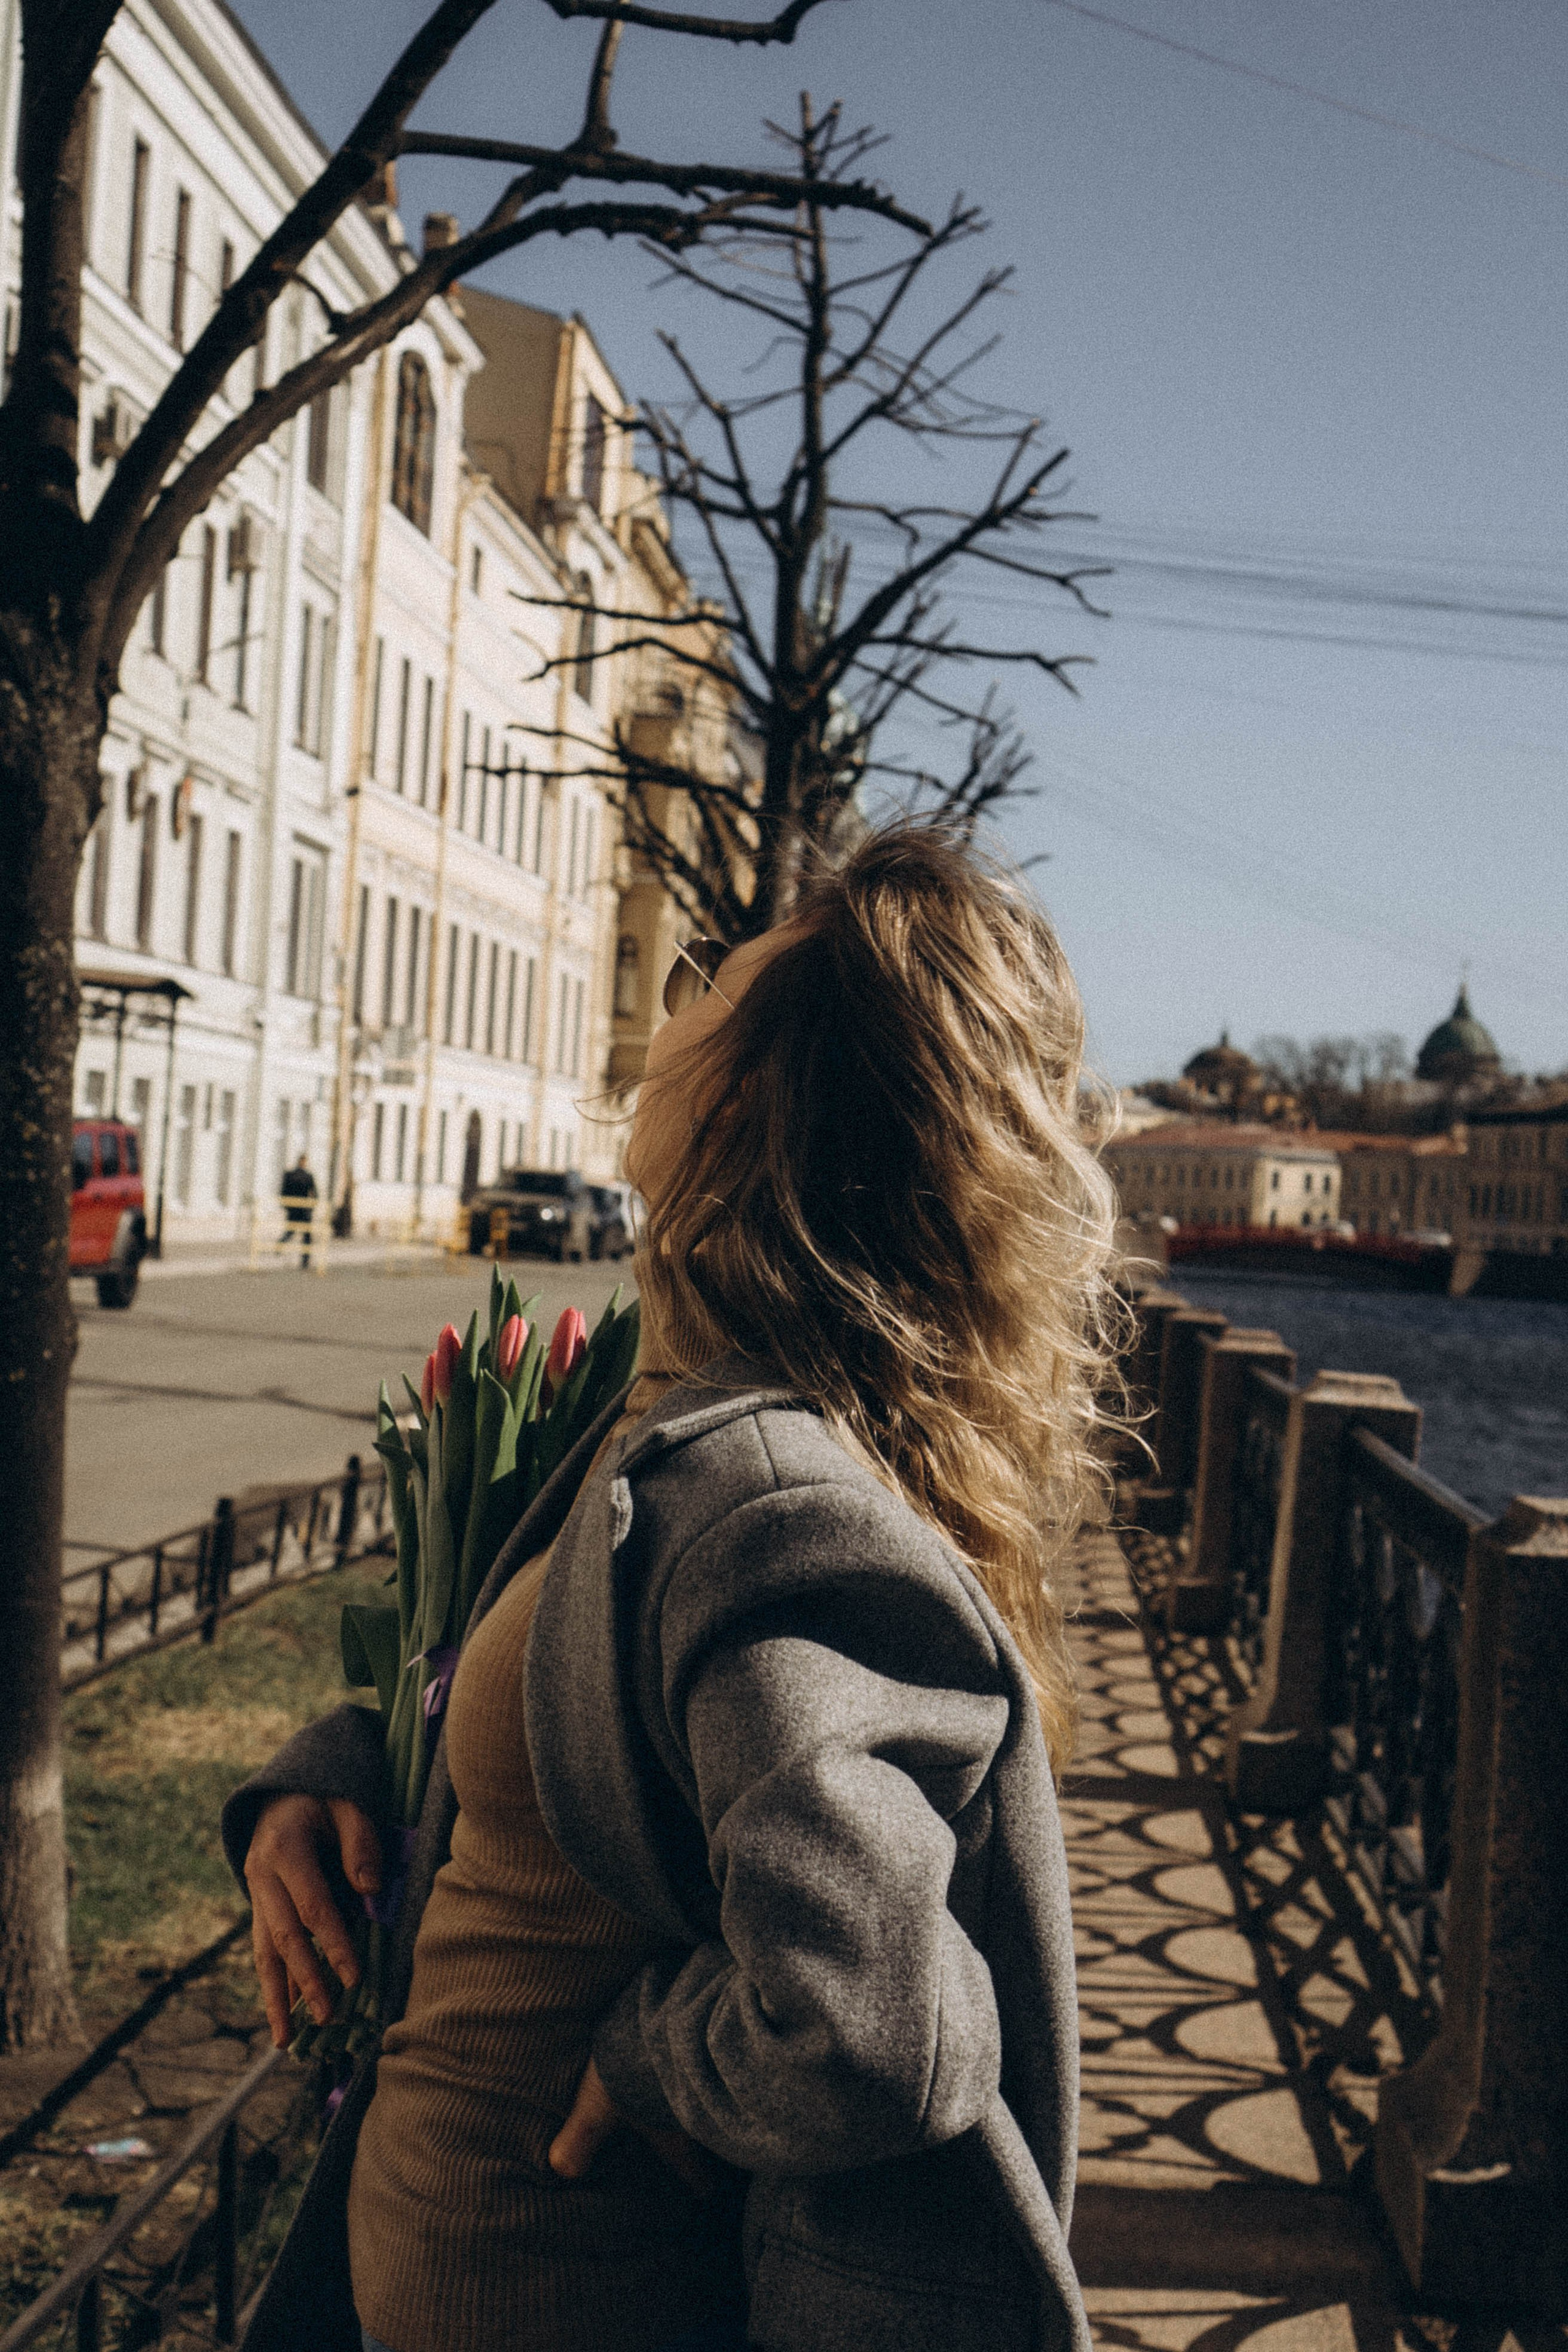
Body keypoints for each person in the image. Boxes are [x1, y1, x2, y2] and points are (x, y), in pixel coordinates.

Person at [222, 822, 1123, 2352]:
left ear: (765, 1091)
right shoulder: (660, 1416)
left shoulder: (763, 1503)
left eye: (715, 982)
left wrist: (651, 2056)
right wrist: (328, 1777)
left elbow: (877, 2023)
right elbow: (568, 1731)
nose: (672, 1004)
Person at [280, 1153, 318, 1268]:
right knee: (298, 1233)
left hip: (297, 1209)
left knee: (297, 1233)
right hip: (302, 1209)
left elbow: (315, 1194)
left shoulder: (293, 1175)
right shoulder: (302, 1176)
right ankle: (304, 1260)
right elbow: (315, 1194)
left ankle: (305, 1260)